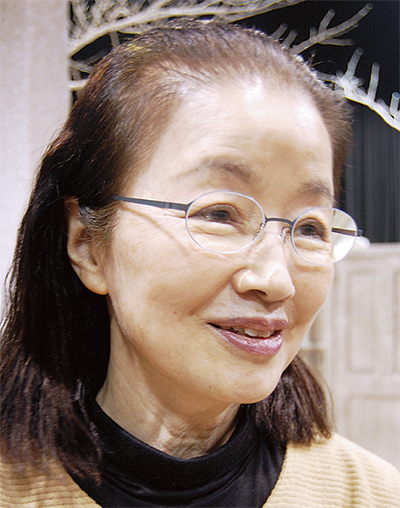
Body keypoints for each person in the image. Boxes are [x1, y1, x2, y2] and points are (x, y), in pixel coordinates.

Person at [0, 20, 399, 508]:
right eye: (219, 214)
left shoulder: (370, 494)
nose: (276, 280)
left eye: (310, 227)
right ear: (87, 245)